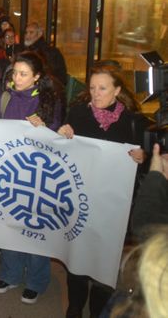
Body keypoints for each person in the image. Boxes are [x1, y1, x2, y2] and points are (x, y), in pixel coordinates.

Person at [57, 63, 148, 318]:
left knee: (105, 257)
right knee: (77, 255)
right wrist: (62, 134)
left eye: (103, 88)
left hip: (113, 205)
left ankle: (98, 309)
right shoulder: (77, 114)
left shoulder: (133, 122)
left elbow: (150, 163)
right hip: (80, 199)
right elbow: (64, 155)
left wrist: (144, 157)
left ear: (117, 90)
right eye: (92, 87)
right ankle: (74, 306)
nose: (96, 93)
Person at [0, 52, 64, 305]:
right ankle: (9, 273)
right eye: (14, 73)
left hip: (38, 172)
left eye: (23, 74)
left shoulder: (48, 100)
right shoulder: (4, 97)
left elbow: (57, 136)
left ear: (37, 77)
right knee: (9, 221)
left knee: (35, 225)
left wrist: (44, 128)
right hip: (9, 169)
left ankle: (36, 280)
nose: (17, 78)